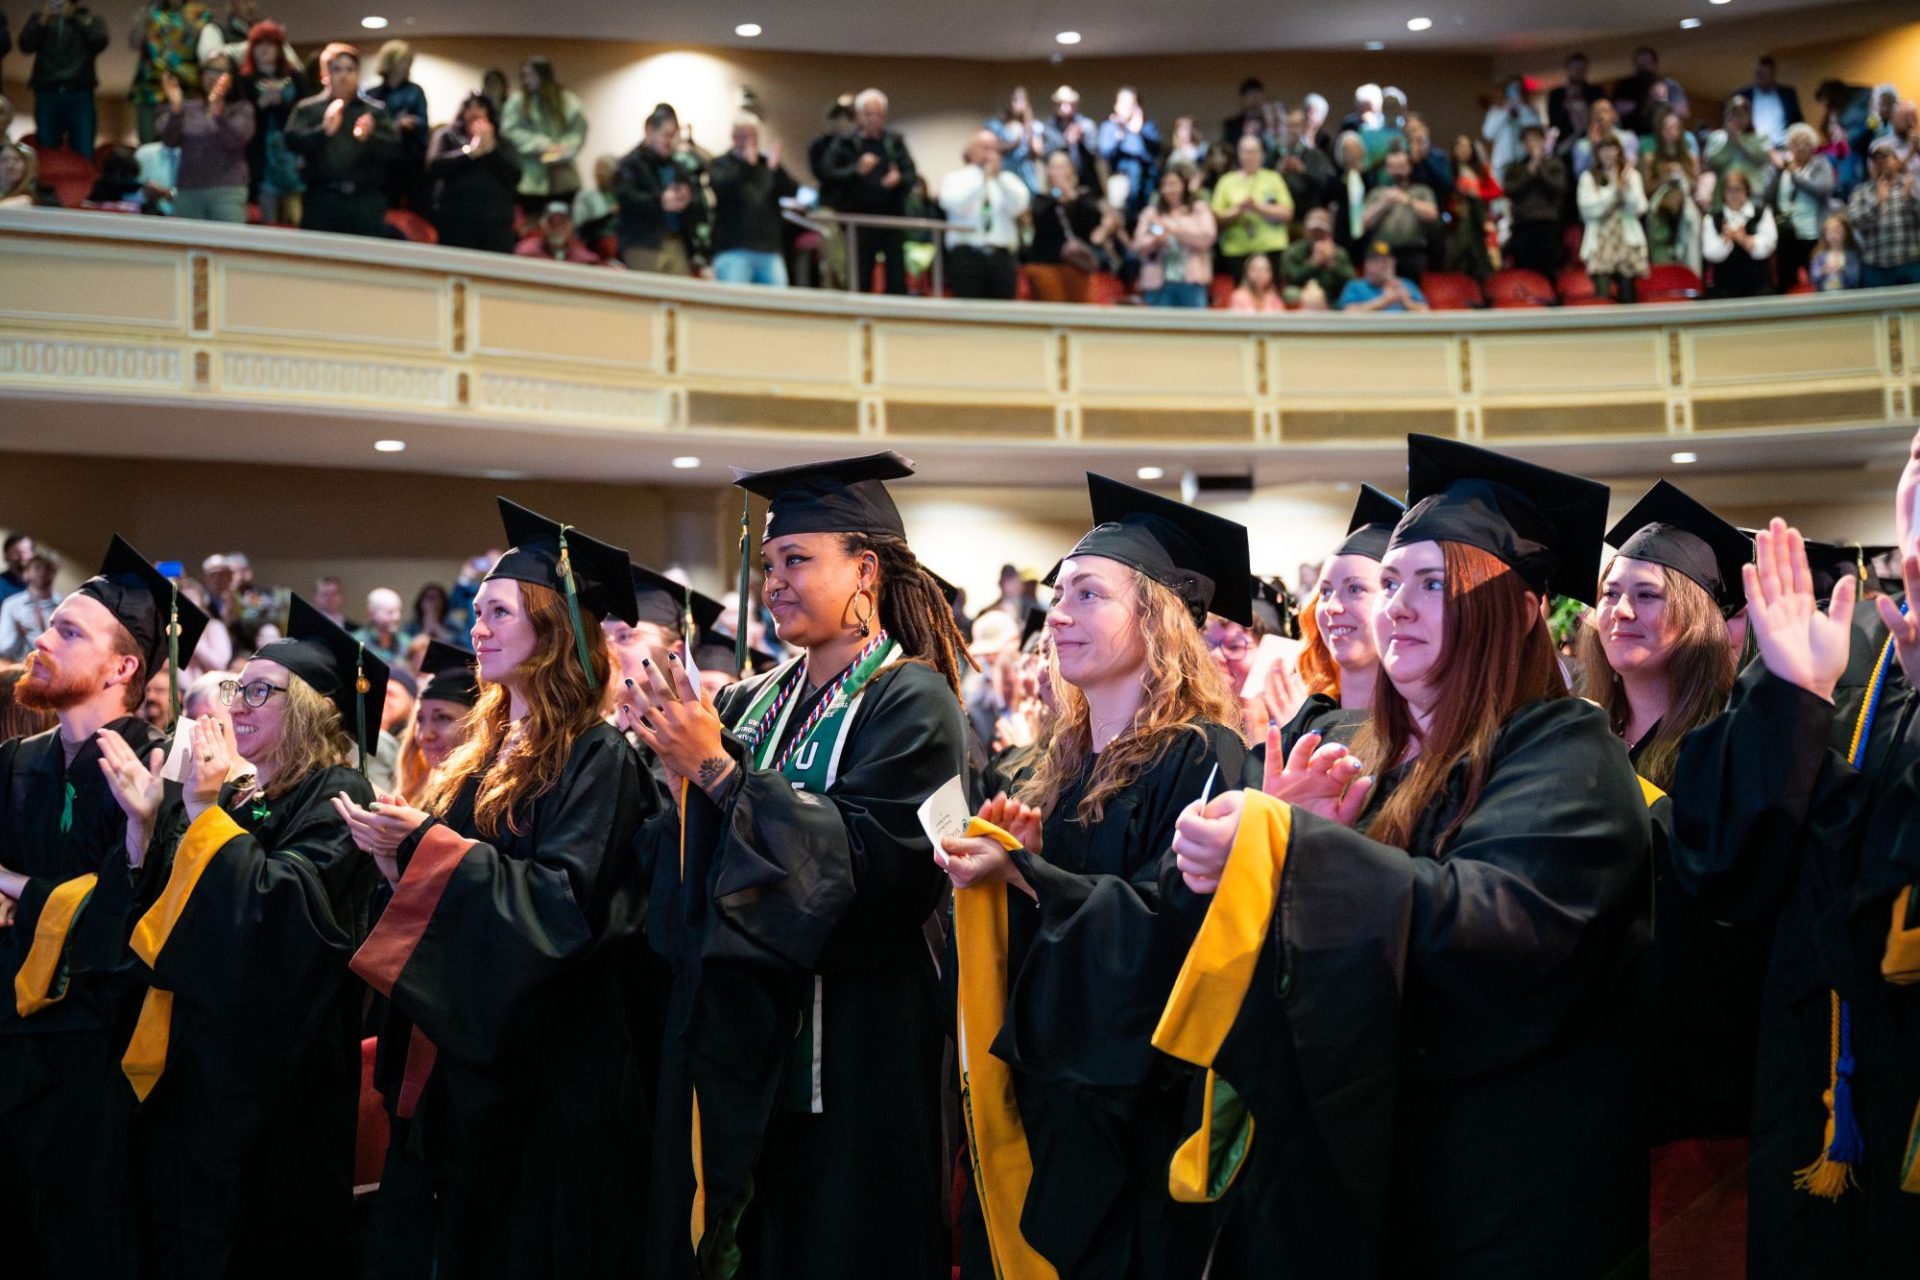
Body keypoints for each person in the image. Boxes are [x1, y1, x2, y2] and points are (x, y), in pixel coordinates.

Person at [1157, 434, 1646, 1278]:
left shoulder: (1567, 748)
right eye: (1390, 583)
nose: (1398, 608)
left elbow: (1499, 928)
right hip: (1386, 1177)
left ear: (1526, 608)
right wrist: (1257, 870)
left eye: (1434, 584)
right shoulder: (1382, 763)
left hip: (1504, 1186)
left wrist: (1298, 852)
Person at [632, 452, 971, 1280]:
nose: (775, 580)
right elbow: (692, 868)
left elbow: (882, 869)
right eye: (770, 563)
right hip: (749, 1044)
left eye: (797, 560)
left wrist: (717, 772)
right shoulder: (752, 700)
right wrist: (670, 773)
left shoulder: (913, 697)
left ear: (865, 569)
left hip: (859, 1040)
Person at [940, 476, 1250, 1279]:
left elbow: (1175, 922)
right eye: (1058, 597)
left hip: (1141, 1117)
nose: (1060, 617)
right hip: (1060, 1104)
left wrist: (1036, 874)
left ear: (1158, 620)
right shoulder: (1067, 768)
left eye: (1088, 594)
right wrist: (1010, 873)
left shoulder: (1200, 753)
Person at [344, 500, 662, 1277]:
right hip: (461, 1060)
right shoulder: (479, 755)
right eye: (478, 610)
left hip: (547, 1076)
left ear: (552, 632)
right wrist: (395, 861)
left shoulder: (596, 759)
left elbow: (559, 907)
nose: (476, 627)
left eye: (497, 612)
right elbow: (451, 881)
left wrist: (428, 849)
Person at [1667, 427, 1920, 1277]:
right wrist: (1796, 701)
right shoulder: (1856, 666)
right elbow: (1738, 879)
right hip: (1827, 1079)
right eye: (1916, 464)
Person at [101, 596, 386, 1279]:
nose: (238, 703)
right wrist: (147, 830)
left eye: (261, 690)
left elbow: (279, 915)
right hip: (204, 1072)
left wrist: (200, 811)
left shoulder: (339, 795)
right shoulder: (245, 796)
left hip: (283, 1087)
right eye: (237, 687)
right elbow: (173, 918)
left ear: (314, 708)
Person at [0, 535, 208, 1279]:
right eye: (48, 624)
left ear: (123, 668)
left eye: (68, 631)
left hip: (103, 1064)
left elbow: (141, 920)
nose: (42, 640)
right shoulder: (16, 762)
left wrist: (19, 892)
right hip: (10, 1043)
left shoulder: (167, 771)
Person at [1576, 484, 1762, 1177]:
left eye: (1648, 595)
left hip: (1685, 1072)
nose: (1620, 611)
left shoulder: (1727, 743)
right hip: (1581, 1056)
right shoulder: (1577, 729)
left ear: (1698, 613)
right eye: (1610, 593)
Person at [1284, 484, 1402, 751]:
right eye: (1325, 591)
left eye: (1355, 589)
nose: (1331, 607)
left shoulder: (1415, 736)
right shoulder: (1305, 719)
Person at [284, 43, 397, 237]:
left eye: (350, 70)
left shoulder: (374, 111)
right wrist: (323, 131)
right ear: (326, 74)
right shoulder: (308, 109)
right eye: (337, 69)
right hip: (322, 200)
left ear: (357, 74)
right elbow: (292, 141)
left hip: (364, 200)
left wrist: (369, 138)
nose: (343, 75)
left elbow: (394, 149)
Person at [821, 88, 918, 295]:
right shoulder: (844, 143)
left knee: (896, 277)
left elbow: (911, 174)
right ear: (858, 116)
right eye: (869, 113)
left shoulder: (894, 143)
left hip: (891, 219)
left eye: (878, 113)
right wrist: (856, 171)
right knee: (860, 276)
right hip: (859, 221)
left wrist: (899, 178)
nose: (874, 119)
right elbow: (829, 175)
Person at [613, 102, 705, 276]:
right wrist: (660, 201)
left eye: (674, 136)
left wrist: (688, 201)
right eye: (666, 135)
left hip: (677, 243)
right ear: (649, 131)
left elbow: (699, 208)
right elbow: (626, 201)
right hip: (643, 244)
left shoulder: (680, 168)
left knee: (680, 298)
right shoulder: (630, 164)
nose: (670, 142)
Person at [940, 127, 1031, 300]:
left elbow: (1019, 206)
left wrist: (997, 178)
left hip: (1002, 257)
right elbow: (953, 203)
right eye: (984, 148)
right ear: (970, 151)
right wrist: (982, 179)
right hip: (967, 256)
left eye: (993, 149)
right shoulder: (956, 179)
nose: (989, 154)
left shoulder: (1008, 180)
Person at [708, 115, 798, 287]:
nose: (749, 141)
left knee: (777, 305)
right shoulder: (721, 164)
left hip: (769, 250)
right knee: (735, 306)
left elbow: (791, 191)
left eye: (753, 136)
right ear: (734, 137)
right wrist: (746, 166)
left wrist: (776, 169)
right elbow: (721, 187)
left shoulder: (766, 165)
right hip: (733, 250)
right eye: (743, 136)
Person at [158, 60, 253, 222]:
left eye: (220, 72)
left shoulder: (241, 108)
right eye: (209, 71)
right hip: (189, 189)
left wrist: (219, 114)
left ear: (232, 78)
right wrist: (176, 109)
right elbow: (169, 141)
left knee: (227, 243)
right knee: (189, 244)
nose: (213, 77)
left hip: (227, 190)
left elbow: (237, 140)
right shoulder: (187, 108)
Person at [426, 92, 521, 253]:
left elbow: (514, 176)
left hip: (495, 224)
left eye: (480, 106)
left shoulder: (504, 143)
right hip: (456, 222)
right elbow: (434, 166)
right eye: (469, 107)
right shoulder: (447, 136)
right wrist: (471, 152)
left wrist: (491, 151)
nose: (475, 112)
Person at [1026, 149, 1120, 303]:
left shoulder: (1085, 199)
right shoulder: (1041, 200)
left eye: (1062, 166)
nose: (1058, 172)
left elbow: (1091, 227)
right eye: (1054, 167)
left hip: (1080, 268)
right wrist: (1057, 200)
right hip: (1048, 266)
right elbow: (1041, 223)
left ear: (1071, 170)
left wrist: (1072, 199)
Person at [20, 0, 111, 156]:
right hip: (47, 92)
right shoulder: (40, 19)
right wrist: (43, 21)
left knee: (84, 149)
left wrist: (75, 18)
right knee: (47, 148)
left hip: (80, 93)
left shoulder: (89, 19)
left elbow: (99, 41)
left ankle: (85, 179)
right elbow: (25, 45)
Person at [501, 55, 588, 218]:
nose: (526, 80)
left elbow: (577, 131)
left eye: (530, 74)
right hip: (529, 181)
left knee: (561, 224)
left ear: (543, 74)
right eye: (524, 75)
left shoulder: (567, 101)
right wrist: (542, 144)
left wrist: (563, 148)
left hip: (563, 179)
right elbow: (509, 132)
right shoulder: (517, 102)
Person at [394, 639, 477, 807]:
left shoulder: (478, 803)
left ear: (477, 722)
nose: (424, 735)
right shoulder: (417, 791)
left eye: (443, 718)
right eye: (420, 719)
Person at [235, 20, 303, 225]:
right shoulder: (244, 81)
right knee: (268, 223)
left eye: (270, 44)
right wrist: (260, 105)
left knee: (297, 220)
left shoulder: (296, 78)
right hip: (262, 161)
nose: (264, 50)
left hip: (293, 157)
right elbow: (240, 121)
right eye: (259, 45)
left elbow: (306, 114)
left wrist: (282, 103)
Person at [1210, 134, 1292, 281]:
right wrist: (1239, 210)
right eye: (1246, 151)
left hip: (1271, 248)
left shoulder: (1274, 178)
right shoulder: (1226, 181)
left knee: (1270, 297)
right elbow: (1216, 217)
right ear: (1239, 154)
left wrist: (1258, 208)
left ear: (1261, 154)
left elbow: (1287, 212)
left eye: (1254, 151)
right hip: (1237, 250)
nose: (1250, 156)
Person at [1133, 163, 1216, 308]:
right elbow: (1138, 245)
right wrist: (1155, 241)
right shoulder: (1151, 213)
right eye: (1164, 185)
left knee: (1194, 328)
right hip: (1159, 283)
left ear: (1184, 185)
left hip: (1191, 283)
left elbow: (1207, 237)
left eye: (1173, 184)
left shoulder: (1198, 209)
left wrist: (1176, 230)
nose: (1169, 189)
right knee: (1160, 329)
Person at [1578, 135, 1650, 302]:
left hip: (1626, 240)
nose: (1608, 154)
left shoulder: (1631, 176)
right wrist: (1614, 190)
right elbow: (1589, 210)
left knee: (1628, 296)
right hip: (1600, 242)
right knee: (1602, 297)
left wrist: (1625, 189)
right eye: (1604, 149)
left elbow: (1640, 207)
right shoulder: (1588, 177)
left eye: (1612, 149)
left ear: (1619, 151)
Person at [129, 0, 209, 143]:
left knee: (184, 144)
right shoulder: (150, 11)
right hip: (149, 93)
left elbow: (204, 47)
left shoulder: (198, 11)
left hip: (186, 91)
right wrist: (145, 16)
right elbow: (134, 43)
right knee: (149, 149)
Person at [1847, 137, 1920, 286]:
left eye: (1886, 158)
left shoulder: (1912, 185)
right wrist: (1877, 203)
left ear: (1896, 160)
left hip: (1910, 261)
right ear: (1870, 165)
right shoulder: (1860, 192)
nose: (1881, 164)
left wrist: (1912, 198)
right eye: (1876, 160)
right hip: (1876, 265)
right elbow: (1855, 222)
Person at [364, 39, 428, 209]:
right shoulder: (371, 94)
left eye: (409, 61)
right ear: (390, 61)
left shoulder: (415, 91)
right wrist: (395, 125)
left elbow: (422, 123)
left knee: (414, 208)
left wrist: (409, 125)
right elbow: (367, 126)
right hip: (381, 163)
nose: (407, 65)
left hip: (409, 160)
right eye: (403, 60)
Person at [1361, 147, 1439, 282]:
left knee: (1410, 292)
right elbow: (1363, 223)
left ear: (1409, 168)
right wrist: (1383, 204)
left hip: (1411, 252)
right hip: (1381, 250)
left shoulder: (1422, 191)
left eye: (1401, 166)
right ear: (1387, 169)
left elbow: (1432, 214)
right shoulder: (1376, 193)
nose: (1397, 171)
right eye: (1392, 167)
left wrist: (1407, 200)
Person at [1773, 122, 1834, 290]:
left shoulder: (1820, 164)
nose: (1802, 147)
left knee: (1816, 280)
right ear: (1790, 146)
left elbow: (1824, 188)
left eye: (1807, 142)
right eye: (1797, 142)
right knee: (1786, 280)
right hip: (1788, 233)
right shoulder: (1783, 170)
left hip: (1813, 234)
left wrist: (1796, 176)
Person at [1502, 122, 1569, 276]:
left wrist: (1540, 168)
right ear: (1523, 143)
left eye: (1536, 139)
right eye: (1528, 140)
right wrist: (1529, 170)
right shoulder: (1515, 167)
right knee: (1524, 271)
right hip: (1522, 224)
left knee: (1549, 270)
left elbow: (1559, 188)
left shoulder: (1554, 164)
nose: (1532, 143)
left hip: (1548, 224)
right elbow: (1510, 190)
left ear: (1543, 141)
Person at [1703, 168, 1778, 298]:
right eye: (1730, 190)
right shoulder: (1713, 218)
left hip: (1759, 286)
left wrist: (1745, 240)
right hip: (1725, 288)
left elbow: (1769, 245)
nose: (1734, 195)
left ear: (1747, 191)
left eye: (1738, 189)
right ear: (1723, 193)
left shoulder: (1762, 213)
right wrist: (1725, 241)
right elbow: (1709, 252)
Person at [1097, 86, 1162, 221]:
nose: (1127, 107)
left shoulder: (1147, 126)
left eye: (1131, 103)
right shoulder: (1109, 127)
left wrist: (1138, 131)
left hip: (1147, 183)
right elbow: (1105, 152)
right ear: (1116, 105)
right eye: (1123, 102)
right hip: (1120, 180)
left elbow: (1156, 151)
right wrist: (1119, 134)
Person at [1705, 95, 1777, 211]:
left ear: (1749, 116)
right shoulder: (1716, 137)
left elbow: (1762, 160)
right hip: (1723, 197)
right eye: (1732, 113)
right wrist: (1729, 140)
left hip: (1752, 196)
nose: (1736, 118)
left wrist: (1739, 141)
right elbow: (1711, 163)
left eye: (1741, 114)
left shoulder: (1760, 138)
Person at [1279, 207, 1355, 307]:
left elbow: (1351, 280)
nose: (1316, 235)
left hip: (1332, 299)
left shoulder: (1339, 253)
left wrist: (1332, 264)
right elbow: (1289, 277)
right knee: (1291, 293)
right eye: (1313, 232)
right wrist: (1313, 263)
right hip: (1302, 295)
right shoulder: (1294, 251)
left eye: (1321, 232)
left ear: (1329, 233)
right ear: (1305, 231)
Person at [1612, 45, 1689, 137]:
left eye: (1647, 62)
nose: (1643, 66)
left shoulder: (1669, 85)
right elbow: (1616, 111)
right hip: (1634, 136)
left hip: (1664, 136)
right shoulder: (1625, 86)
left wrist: (1663, 100)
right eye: (1640, 63)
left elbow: (1683, 112)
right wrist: (1639, 103)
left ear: (1655, 64)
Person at [0, 551, 61, 661]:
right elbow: (3, 649)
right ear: (27, 572)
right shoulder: (11, 605)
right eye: (37, 568)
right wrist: (18, 634)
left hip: (50, 671)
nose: (42, 573)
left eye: (48, 569)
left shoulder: (64, 607)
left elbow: (64, 649)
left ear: (55, 573)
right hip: (15, 668)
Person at [1275, 106, 1335, 214]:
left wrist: (1303, 170)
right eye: (1289, 126)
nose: (1292, 130)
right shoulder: (1276, 153)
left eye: (1296, 126)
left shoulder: (1315, 155)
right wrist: (1278, 171)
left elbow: (1326, 183)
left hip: (1308, 210)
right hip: (1281, 210)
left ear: (1303, 128)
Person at [1338, 240, 1429, 311]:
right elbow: (1349, 314)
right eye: (1378, 261)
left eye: (1387, 260)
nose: (1384, 265)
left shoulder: (1406, 284)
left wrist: (1407, 302)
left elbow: (1426, 312)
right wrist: (1384, 301)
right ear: (1367, 264)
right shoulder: (1355, 286)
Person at [986, 86, 1046, 194]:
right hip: (1005, 172)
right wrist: (1014, 143)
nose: (1015, 104)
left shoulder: (1034, 126)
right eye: (1013, 100)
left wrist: (1028, 127)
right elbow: (990, 147)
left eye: (1020, 100)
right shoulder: (997, 125)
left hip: (1026, 173)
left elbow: (1038, 152)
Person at [1042, 84, 1100, 192]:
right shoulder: (1048, 128)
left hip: (1086, 181)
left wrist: (1081, 140)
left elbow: (1095, 154)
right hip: (1059, 183)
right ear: (1055, 106)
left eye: (1070, 104)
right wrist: (1066, 142)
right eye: (1061, 104)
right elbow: (1047, 156)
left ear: (1075, 105)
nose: (1066, 107)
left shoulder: (1087, 125)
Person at [1741, 55, 1804, 148]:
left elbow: (1797, 121)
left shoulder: (1788, 94)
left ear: (1773, 74)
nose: (1762, 78)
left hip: (1783, 148)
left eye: (1767, 74)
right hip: (1754, 150)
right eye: (1759, 74)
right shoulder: (1744, 95)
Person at [1482, 75, 1541, 173]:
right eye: (1511, 89)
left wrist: (1522, 109)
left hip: (1524, 159)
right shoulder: (1496, 111)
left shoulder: (1528, 110)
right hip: (1502, 162)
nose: (1515, 93)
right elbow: (1488, 134)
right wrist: (1505, 113)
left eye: (1518, 89)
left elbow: (1536, 130)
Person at [516, 199, 605, 264]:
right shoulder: (526, 252)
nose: (557, 229)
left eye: (562, 223)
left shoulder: (586, 260)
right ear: (542, 225)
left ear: (571, 226)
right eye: (552, 223)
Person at [1548, 52, 1597, 154]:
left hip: (1592, 141)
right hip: (1566, 144)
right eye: (1575, 69)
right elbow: (1554, 123)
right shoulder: (1556, 95)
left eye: (1581, 69)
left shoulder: (1595, 92)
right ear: (1568, 69)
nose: (1578, 72)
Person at [1809, 211, 1863, 290]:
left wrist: (1842, 270)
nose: (1833, 236)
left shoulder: (1852, 255)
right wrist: (1823, 271)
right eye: (1830, 232)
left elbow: (1855, 280)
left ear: (1846, 232)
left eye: (1837, 231)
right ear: (1824, 234)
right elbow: (1813, 278)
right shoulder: (1819, 254)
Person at [1222, 76, 1274, 156]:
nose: (1254, 99)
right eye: (1250, 95)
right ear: (1242, 98)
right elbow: (1228, 151)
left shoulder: (1270, 123)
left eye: (1257, 95)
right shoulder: (1231, 125)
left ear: (1262, 97)